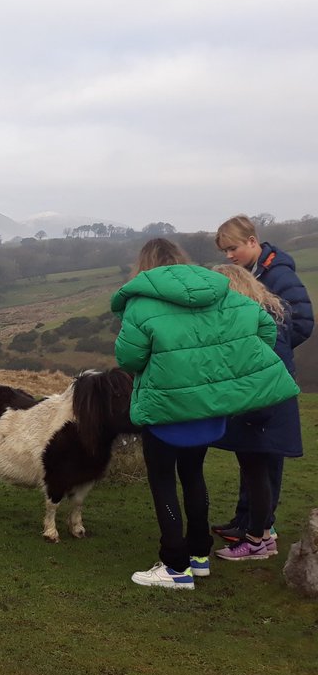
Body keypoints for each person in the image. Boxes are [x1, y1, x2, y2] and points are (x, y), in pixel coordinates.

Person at [111, 239, 299, 590]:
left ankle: (175, 565)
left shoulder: (141, 302)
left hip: (164, 409)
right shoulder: (220, 291)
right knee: (194, 474)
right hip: (207, 411)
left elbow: (129, 359)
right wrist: (223, 369)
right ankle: (199, 557)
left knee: (164, 481)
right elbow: (265, 328)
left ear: (144, 267)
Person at [211, 215, 313, 545]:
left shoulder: (279, 273)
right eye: (225, 250)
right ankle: (245, 519)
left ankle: (262, 526)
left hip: (269, 378)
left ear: (253, 241)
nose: (229, 255)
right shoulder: (256, 272)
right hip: (257, 377)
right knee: (251, 453)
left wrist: (267, 353)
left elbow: (301, 322)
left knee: (267, 459)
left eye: (233, 248)